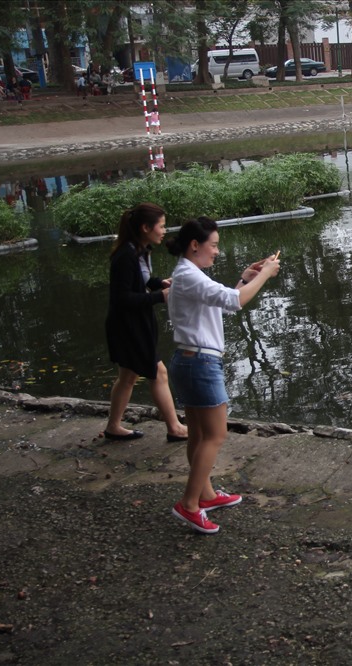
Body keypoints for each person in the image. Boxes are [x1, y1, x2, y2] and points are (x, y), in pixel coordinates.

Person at [166, 217, 280, 534]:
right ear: (194, 245)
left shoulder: (188, 275)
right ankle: (189, 504)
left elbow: (225, 302)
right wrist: (266, 275)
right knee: (215, 435)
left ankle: (205, 495)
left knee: (200, 435)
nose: (217, 252)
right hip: (200, 364)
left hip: (190, 361)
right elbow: (236, 302)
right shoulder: (189, 276)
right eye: (213, 245)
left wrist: (246, 278)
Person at [104, 202, 189, 443]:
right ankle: (175, 427)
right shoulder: (125, 256)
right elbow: (121, 297)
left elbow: (138, 282)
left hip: (136, 324)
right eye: (161, 226)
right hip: (128, 327)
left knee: (128, 376)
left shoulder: (140, 251)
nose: (164, 231)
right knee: (158, 372)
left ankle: (113, 426)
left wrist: (158, 283)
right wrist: (158, 297)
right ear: (145, 227)